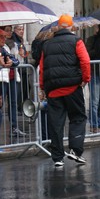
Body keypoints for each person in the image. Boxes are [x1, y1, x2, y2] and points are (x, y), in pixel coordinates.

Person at [39, 14, 91, 167]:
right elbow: (85, 61)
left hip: (53, 88)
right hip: (72, 86)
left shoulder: (47, 44)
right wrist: (85, 79)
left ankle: (57, 157)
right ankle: (76, 150)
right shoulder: (76, 41)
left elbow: (42, 67)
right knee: (78, 117)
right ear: (70, 26)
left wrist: (42, 87)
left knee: (56, 122)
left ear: (58, 26)